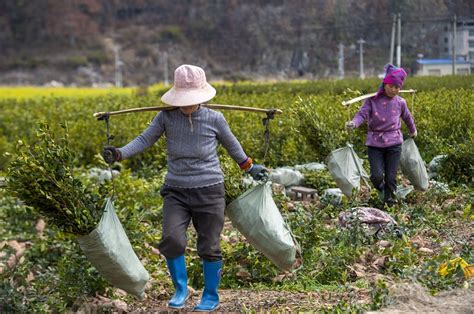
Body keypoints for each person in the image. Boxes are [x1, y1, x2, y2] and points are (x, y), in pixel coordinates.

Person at [101, 64, 267, 311]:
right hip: (176, 191)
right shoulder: (165, 117)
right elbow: (145, 139)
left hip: (210, 190)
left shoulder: (215, 118)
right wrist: (119, 154)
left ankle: (210, 295)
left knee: (210, 245)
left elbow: (233, 146)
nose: (187, 104)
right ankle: (180, 289)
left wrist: (250, 167)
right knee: (171, 239)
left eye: (192, 99)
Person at [345, 64, 417, 207]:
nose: (394, 90)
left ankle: (390, 203)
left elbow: (407, 117)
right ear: (385, 84)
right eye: (391, 86)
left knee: (391, 177)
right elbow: (362, 114)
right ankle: (382, 191)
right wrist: (354, 123)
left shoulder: (400, 102)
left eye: (397, 87)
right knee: (376, 176)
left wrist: (413, 130)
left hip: (394, 143)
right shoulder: (372, 100)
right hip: (375, 144)